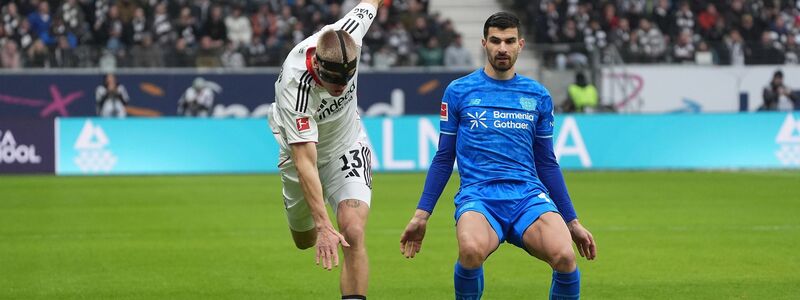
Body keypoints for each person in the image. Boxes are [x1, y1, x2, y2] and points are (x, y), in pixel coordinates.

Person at [399, 12, 597, 300]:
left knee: (565, 256)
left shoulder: (538, 96)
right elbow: (444, 157)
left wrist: (573, 221)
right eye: (495, 41)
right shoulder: (459, 91)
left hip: (528, 196)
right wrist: (421, 214)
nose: (502, 48)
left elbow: (546, 162)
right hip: (479, 197)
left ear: (521, 44)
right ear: (484, 43)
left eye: (509, 41)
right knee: (470, 250)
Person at [266, 1, 383, 299]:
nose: (341, 88)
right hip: (301, 156)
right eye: (333, 81)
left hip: (347, 144)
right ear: (318, 65)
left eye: (347, 80)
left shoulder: (351, 32)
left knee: (353, 232)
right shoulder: (295, 86)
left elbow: (370, 3)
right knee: (304, 240)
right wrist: (323, 225)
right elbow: (305, 162)